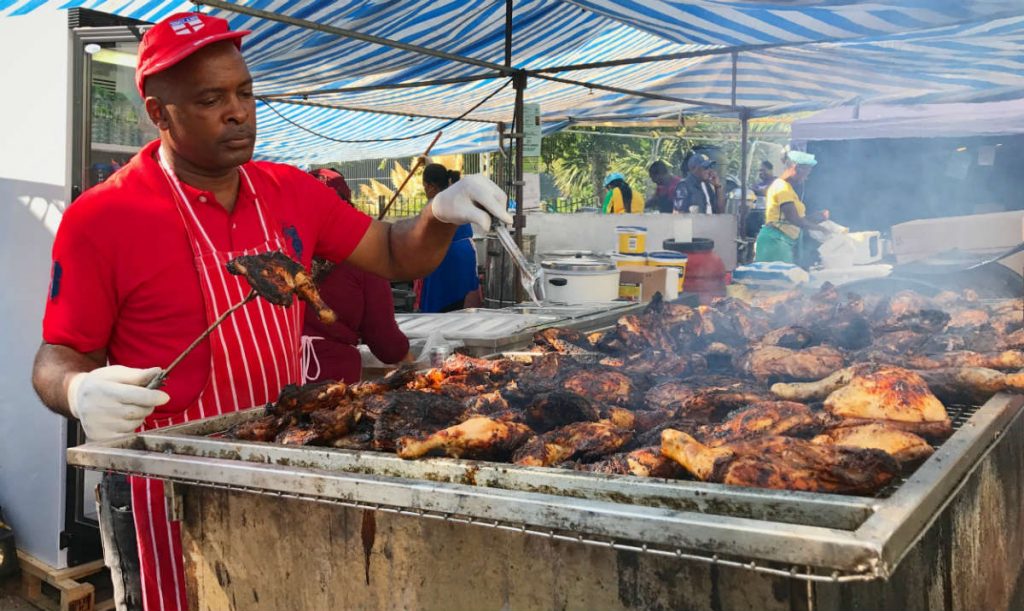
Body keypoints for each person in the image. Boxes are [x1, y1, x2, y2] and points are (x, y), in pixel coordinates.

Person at [30, 13, 510, 611]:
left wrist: (438, 215)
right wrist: (77, 391)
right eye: (211, 99)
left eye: (246, 92)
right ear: (158, 113)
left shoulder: (289, 191)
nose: (239, 112)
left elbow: (392, 253)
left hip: (275, 461)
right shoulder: (101, 218)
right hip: (162, 481)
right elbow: (56, 357)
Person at [302, 168, 410, 384]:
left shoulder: (277, 250)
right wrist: (408, 361)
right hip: (334, 384)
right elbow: (386, 343)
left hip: (273, 379)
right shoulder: (364, 259)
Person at [417, 164, 482, 312]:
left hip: (447, 257)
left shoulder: (437, 204)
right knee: (457, 304)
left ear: (431, 186)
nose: (425, 190)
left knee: (440, 306)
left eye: (425, 186)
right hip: (464, 255)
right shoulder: (456, 198)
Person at [754, 150, 823, 264]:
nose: (806, 178)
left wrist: (814, 217)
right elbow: (794, 219)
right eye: (806, 174)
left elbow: (792, 219)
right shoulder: (782, 188)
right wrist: (821, 229)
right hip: (775, 241)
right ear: (795, 168)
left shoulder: (787, 188)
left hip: (781, 241)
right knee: (776, 280)